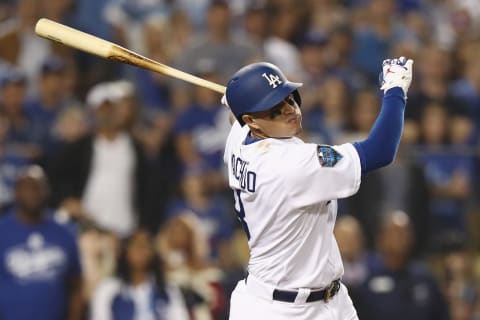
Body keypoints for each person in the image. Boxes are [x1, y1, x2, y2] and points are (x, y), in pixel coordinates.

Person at [221, 57, 413, 319]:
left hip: (322, 300)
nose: (290, 110)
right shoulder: (293, 165)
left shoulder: (239, 139)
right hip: (283, 310)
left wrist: (243, 96)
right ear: (252, 121)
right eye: (274, 109)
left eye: (288, 98)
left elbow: (234, 115)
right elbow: (380, 150)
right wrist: (395, 89)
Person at [0, 165, 83, 320]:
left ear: (48, 192)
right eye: (28, 188)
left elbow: (76, 286)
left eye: (38, 188)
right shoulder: (2, 231)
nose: (33, 193)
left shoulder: (64, 232)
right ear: (16, 193)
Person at [90, 229, 189, 320]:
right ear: (125, 251)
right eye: (135, 245)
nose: (140, 251)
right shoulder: (108, 288)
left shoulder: (167, 289)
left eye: (145, 246)